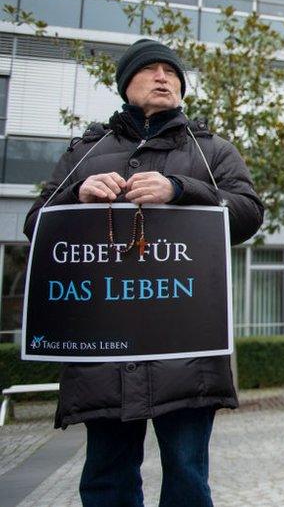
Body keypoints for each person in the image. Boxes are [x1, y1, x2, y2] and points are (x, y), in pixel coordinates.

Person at [24, 38, 264, 506]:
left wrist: (180, 188)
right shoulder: (84, 152)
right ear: (124, 84)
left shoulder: (211, 149)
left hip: (187, 353)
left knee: (187, 478)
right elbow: (36, 224)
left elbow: (249, 214)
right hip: (103, 350)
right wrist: (77, 195)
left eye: (171, 72)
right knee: (106, 478)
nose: (164, 78)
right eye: (151, 70)